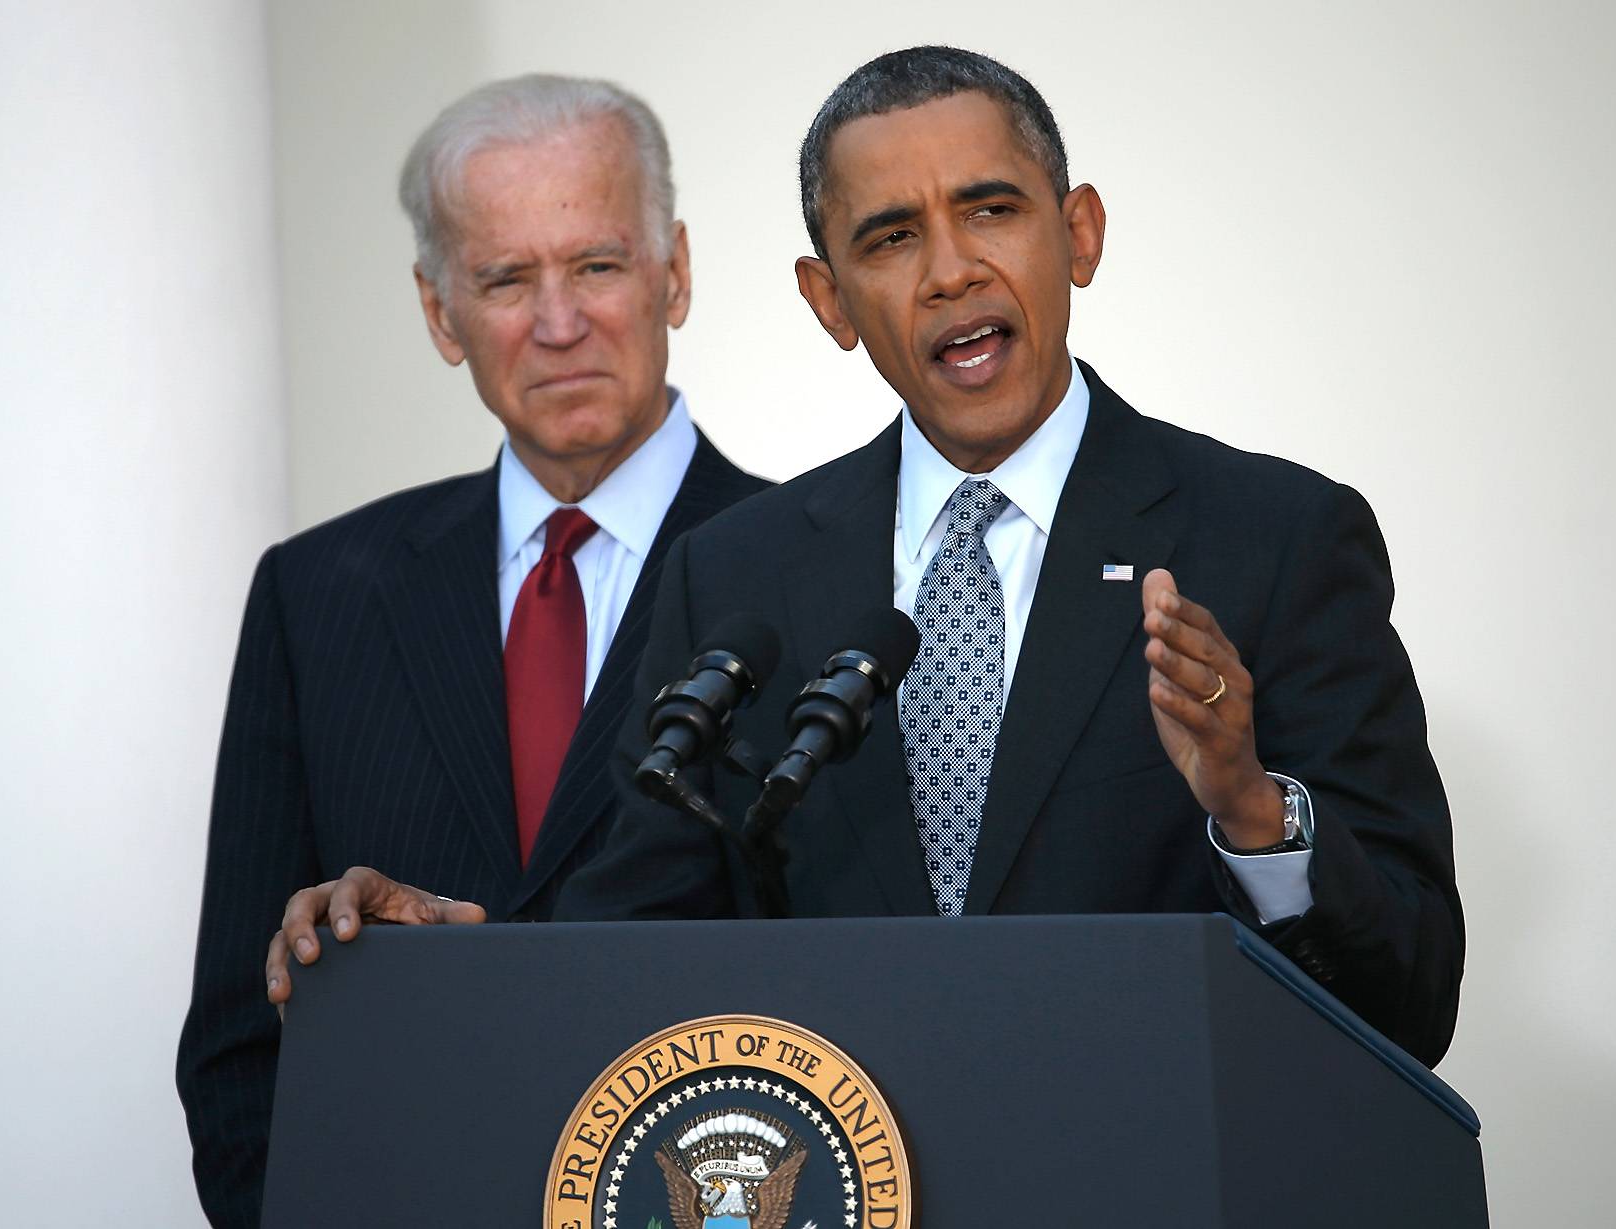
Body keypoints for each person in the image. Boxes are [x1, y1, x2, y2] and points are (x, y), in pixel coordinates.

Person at [278, 47, 1462, 1068]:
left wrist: (1255, 812)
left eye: (991, 209)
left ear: (1081, 233)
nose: (950, 270)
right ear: (830, 299)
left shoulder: (1274, 539)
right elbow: (629, 954)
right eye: (891, 238)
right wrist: (436, 958)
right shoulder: (733, 574)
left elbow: (1412, 996)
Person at [175, 75, 767, 1227]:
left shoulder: (815, 575)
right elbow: (239, 1045)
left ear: (675, 273)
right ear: (440, 313)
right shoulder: (315, 596)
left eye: (597, 264)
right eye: (505, 278)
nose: (558, 322)